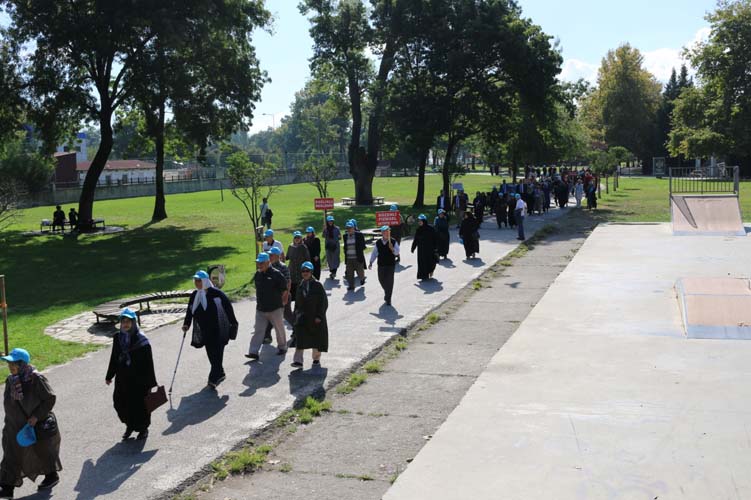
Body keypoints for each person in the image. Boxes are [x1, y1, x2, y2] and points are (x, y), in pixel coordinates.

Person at [0, 348, 61, 497]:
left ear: (22, 364)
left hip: (33, 425)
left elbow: (50, 398)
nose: (10, 366)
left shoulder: (35, 379)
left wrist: (36, 417)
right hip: (13, 426)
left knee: (42, 451)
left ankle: (51, 475)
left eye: (14, 363)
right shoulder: (11, 380)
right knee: (10, 455)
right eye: (9, 363)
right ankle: (7, 488)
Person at [106, 308, 157, 440]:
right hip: (122, 378)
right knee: (120, 402)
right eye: (123, 321)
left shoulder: (142, 340)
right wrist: (109, 376)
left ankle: (143, 428)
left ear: (134, 322)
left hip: (139, 380)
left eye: (128, 321)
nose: (125, 324)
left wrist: (151, 383)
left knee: (140, 405)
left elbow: (149, 363)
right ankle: (130, 425)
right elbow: (114, 357)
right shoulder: (118, 338)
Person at [182, 270, 239, 388]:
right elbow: (190, 310)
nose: (197, 283)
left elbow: (228, 308)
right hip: (205, 330)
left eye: (199, 280)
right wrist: (186, 324)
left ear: (205, 281)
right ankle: (220, 373)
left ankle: (213, 379)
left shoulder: (216, 294)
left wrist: (233, 323)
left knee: (217, 354)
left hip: (219, 329)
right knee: (211, 354)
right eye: (195, 280)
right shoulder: (195, 295)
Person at [247, 253, 288, 359]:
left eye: (261, 263)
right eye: (258, 263)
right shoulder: (258, 274)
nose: (259, 265)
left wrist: (282, 301)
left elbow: (284, 289)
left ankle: (282, 347)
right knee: (258, 330)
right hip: (261, 309)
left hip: (275, 308)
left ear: (268, 262)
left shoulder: (276, 274)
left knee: (279, 329)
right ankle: (253, 352)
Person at [290, 262, 328, 369]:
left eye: (307, 271)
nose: (305, 273)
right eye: (303, 271)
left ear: (311, 272)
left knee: (316, 340)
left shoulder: (317, 285)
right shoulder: (300, 285)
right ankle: (298, 361)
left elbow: (323, 303)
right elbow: (297, 303)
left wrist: (319, 316)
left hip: (315, 318)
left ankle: (316, 359)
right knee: (300, 338)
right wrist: (295, 315)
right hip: (303, 317)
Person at [263, 247, 292, 345]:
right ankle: (267, 336)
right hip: (272, 297)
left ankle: (298, 331)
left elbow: (288, 282)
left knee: (287, 315)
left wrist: (285, 297)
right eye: (269, 255)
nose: (269, 256)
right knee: (269, 315)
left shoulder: (283, 267)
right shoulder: (269, 266)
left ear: (277, 256)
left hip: (283, 295)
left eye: (271, 255)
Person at [369, 226, 400, 306]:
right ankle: (387, 292)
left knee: (390, 282)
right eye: (384, 232)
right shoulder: (378, 242)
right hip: (381, 265)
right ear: (382, 233)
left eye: (387, 231)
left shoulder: (393, 241)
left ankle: (388, 298)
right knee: (381, 280)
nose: (386, 233)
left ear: (389, 232)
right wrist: (371, 262)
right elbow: (374, 253)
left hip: (390, 265)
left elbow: (397, 253)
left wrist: (392, 249)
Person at [411, 214, 438, 280]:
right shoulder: (418, 230)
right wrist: (413, 247)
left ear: (424, 221)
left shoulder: (431, 229)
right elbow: (416, 239)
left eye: (421, 221)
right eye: (418, 221)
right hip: (421, 250)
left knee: (431, 262)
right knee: (422, 262)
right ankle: (424, 276)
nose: (419, 222)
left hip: (430, 249)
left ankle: (431, 271)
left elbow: (435, 238)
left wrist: (436, 247)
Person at [342, 221, 366, 291]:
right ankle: (351, 286)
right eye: (347, 228)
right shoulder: (345, 236)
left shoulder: (359, 235)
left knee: (360, 272)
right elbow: (345, 246)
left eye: (350, 228)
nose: (349, 229)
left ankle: (362, 278)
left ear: (353, 228)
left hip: (357, 257)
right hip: (349, 258)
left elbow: (363, 246)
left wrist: (358, 250)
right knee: (349, 273)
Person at [323, 216, 341, 280]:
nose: (330, 222)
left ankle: (334, 272)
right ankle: (332, 270)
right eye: (329, 221)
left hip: (335, 245)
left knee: (335, 258)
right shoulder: (326, 229)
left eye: (331, 221)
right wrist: (324, 230)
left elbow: (340, 237)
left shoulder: (337, 228)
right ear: (327, 222)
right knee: (329, 259)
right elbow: (323, 236)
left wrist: (338, 237)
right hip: (328, 246)